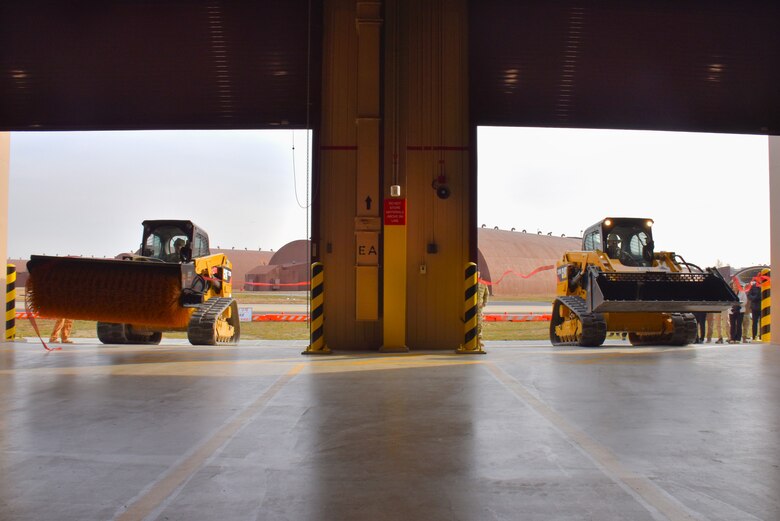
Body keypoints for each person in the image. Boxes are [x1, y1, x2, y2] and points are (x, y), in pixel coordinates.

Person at [728, 279, 745, 343]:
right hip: (732, 310)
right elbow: (728, 301)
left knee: (739, 325)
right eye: (734, 284)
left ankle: (738, 339)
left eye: (736, 284)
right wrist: (733, 305)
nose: (735, 286)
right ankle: (732, 338)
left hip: (740, 310)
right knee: (732, 325)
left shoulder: (742, 292)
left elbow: (745, 301)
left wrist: (738, 305)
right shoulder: (730, 292)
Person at [477, 271, 489, 349]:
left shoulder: (483, 283)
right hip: (469, 306)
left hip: (479, 307)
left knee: (479, 323)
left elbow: (486, 294)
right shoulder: (469, 282)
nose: (477, 275)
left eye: (478, 273)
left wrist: (484, 303)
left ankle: (479, 340)